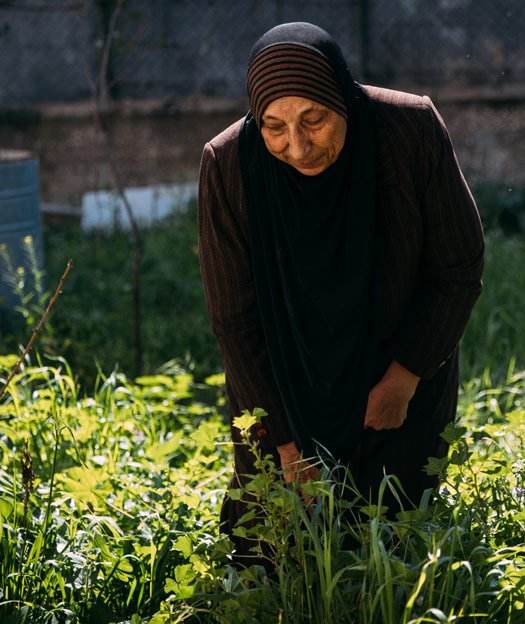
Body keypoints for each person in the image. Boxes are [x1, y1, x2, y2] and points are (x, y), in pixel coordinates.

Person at [197, 22, 484, 563]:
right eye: (274, 127)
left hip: (397, 370)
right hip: (280, 385)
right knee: (272, 555)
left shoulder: (408, 130)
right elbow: (235, 320)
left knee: (397, 546)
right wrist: (282, 441)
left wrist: (404, 379)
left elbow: (458, 268)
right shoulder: (230, 165)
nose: (298, 146)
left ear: (341, 99)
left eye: (315, 119)